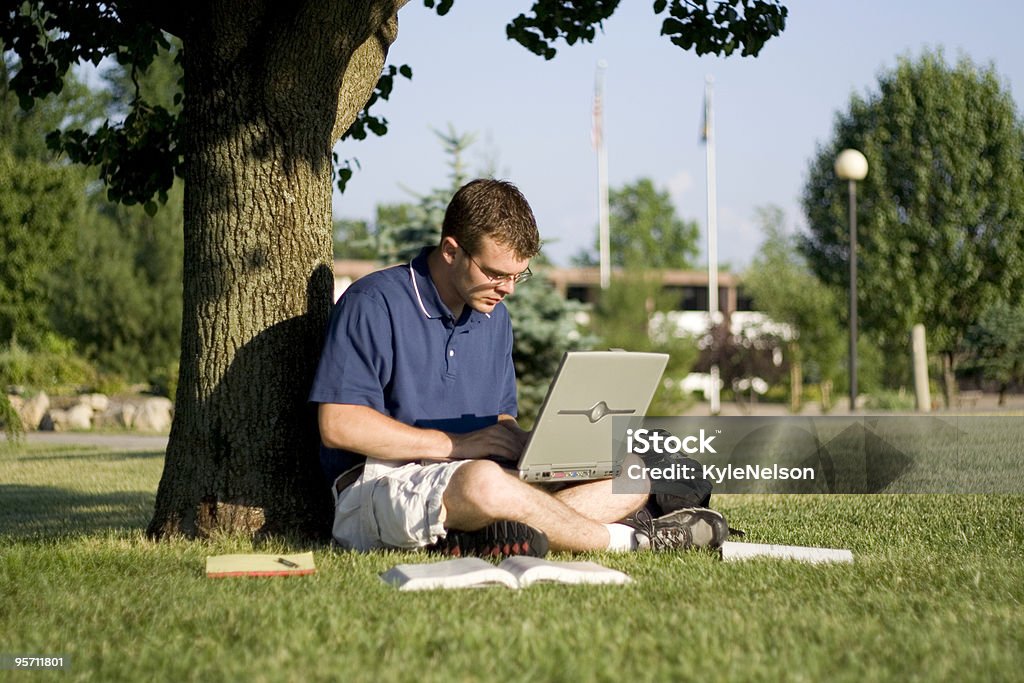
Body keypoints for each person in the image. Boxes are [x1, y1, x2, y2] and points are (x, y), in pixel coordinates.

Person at [309, 178, 728, 557]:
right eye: (495, 273)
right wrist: (457, 446)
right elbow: (339, 425)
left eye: (518, 275)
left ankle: (480, 536)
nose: (507, 288)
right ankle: (631, 541)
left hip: (475, 473)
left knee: (630, 476)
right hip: (382, 483)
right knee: (485, 484)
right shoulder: (374, 303)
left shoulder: (494, 316)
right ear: (452, 250)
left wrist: (534, 446)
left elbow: (500, 419)